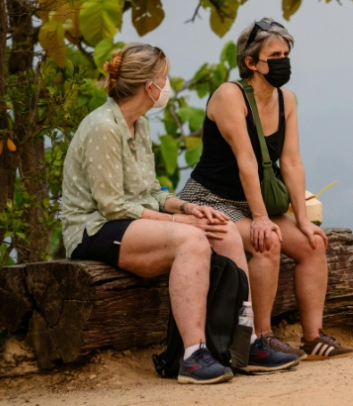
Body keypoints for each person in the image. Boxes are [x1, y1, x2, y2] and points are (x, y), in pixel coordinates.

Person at [60, 43, 297, 385]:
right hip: (94, 229)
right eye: (164, 77)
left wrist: (190, 207)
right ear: (149, 85)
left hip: (129, 222)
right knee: (192, 240)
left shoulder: (138, 126)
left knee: (224, 230)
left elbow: (152, 192)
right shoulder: (103, 126)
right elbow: (112, 205)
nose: (166, 85)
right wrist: (181, 222)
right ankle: (192, 355)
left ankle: (245, 343)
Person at [180, 19, 353, 360]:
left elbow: (291, 162)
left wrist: (303, 221)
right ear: (250, 62)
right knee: (267, 241)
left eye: (286, 54)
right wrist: (260, 218)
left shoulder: (286, 99)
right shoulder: (229, 96)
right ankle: (259, 339)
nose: (283, 61)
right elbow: (246, 160)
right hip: (213, 200)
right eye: (275, 54)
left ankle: (313, 337)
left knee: (312, 244)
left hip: (253, 199)